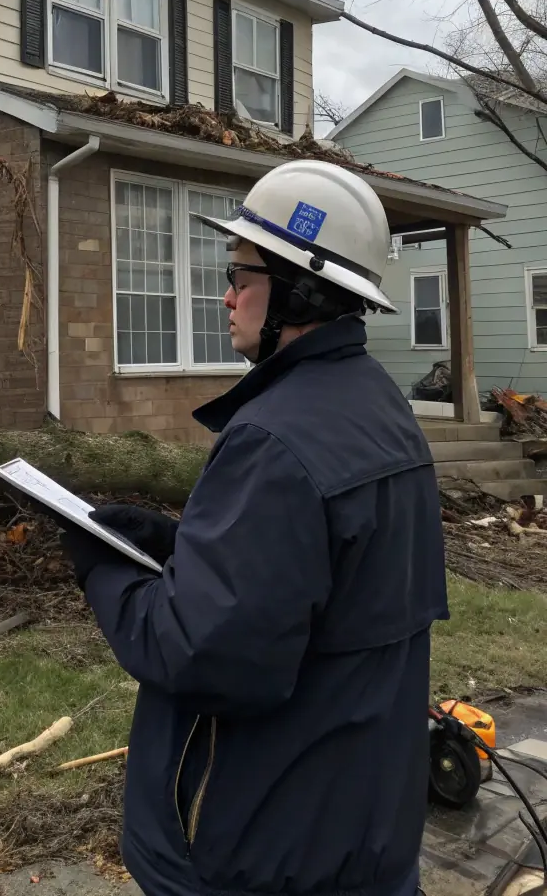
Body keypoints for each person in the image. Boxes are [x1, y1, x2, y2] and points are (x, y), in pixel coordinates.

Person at [59, 159, 448, 896]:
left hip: (264, 849)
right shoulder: (383, 412)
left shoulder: (274, 439)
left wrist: (98, 564)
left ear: (300, 289)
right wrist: (186, 545)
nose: (227, 293)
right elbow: (323, 587)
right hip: (363, 834)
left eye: (242, 273)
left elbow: (197, 650)